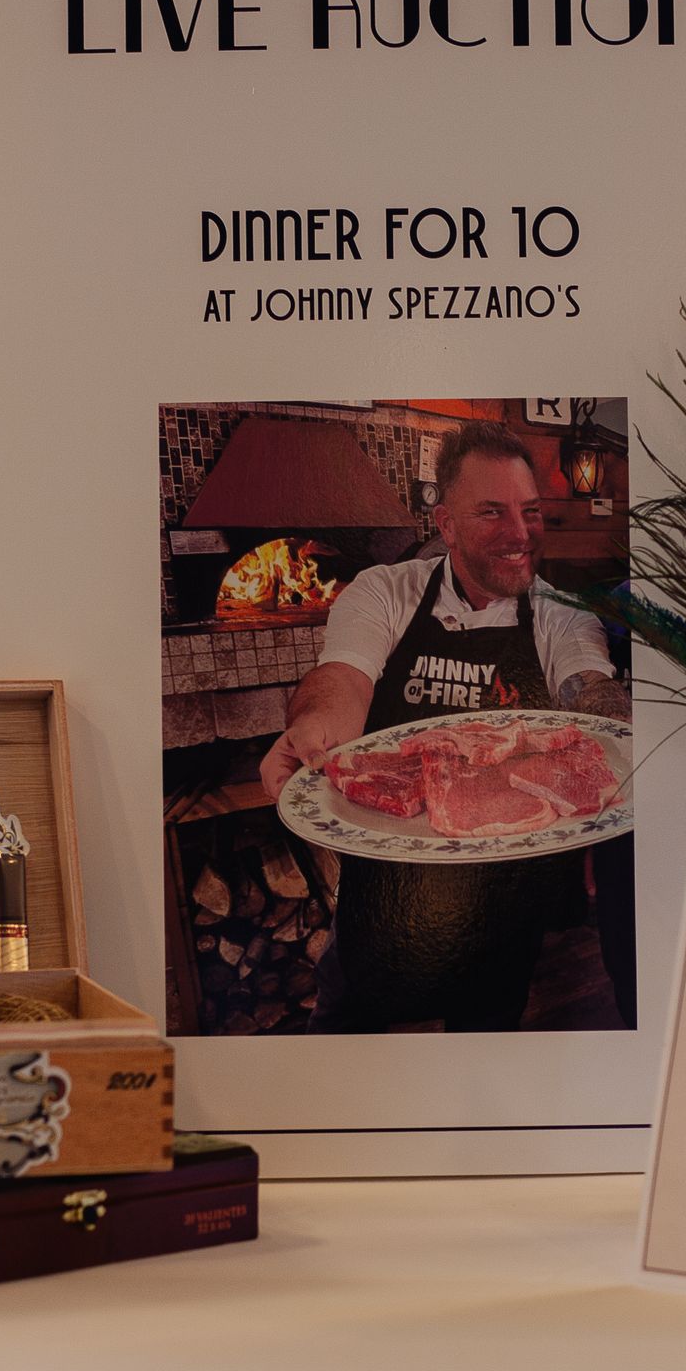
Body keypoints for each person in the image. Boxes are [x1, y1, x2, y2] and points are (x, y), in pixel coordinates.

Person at [259, 423, 629, 1031]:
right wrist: (315, 726)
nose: (520, 533)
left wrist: (623, 728)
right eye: (492, 512)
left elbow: (587, 687)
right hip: (387, 894)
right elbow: (343, 678)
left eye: (530, 511)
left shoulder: (561, 614)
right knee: (342, 1044)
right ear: (447, 525)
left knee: (482, 1048)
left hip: (501, 904)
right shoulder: (386, 591)